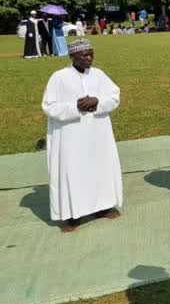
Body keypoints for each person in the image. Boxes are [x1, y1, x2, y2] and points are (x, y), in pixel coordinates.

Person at [41, 39, 123, 233]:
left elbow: (114, 96)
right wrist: (74, 107)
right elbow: (48, 106)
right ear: (72, 56)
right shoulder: (59, 77)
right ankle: (72, 215)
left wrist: (97, 101)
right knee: (72, 171)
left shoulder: (99, 75)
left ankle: (103, 206)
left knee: (99, 167)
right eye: (84, 55)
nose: (89, 58)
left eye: (91, 54)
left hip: (97, 134)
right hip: (71, 136)